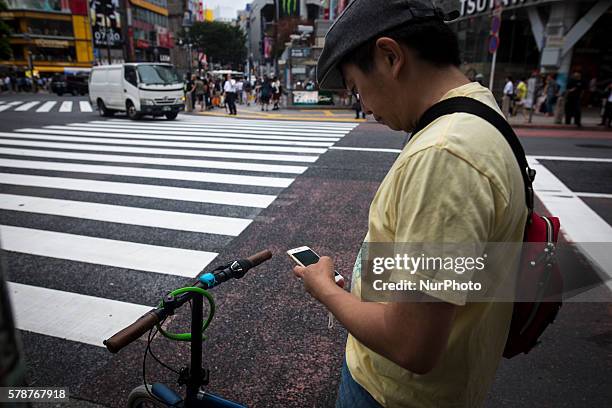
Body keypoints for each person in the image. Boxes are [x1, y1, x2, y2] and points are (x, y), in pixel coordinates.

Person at [293, 1, 528, 407]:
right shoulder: (481, 114)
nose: (363, 104)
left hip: (391, 394)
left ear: (390, 56)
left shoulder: (444, 155)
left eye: (356, 87)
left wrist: (325, 292)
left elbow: (412, 345)